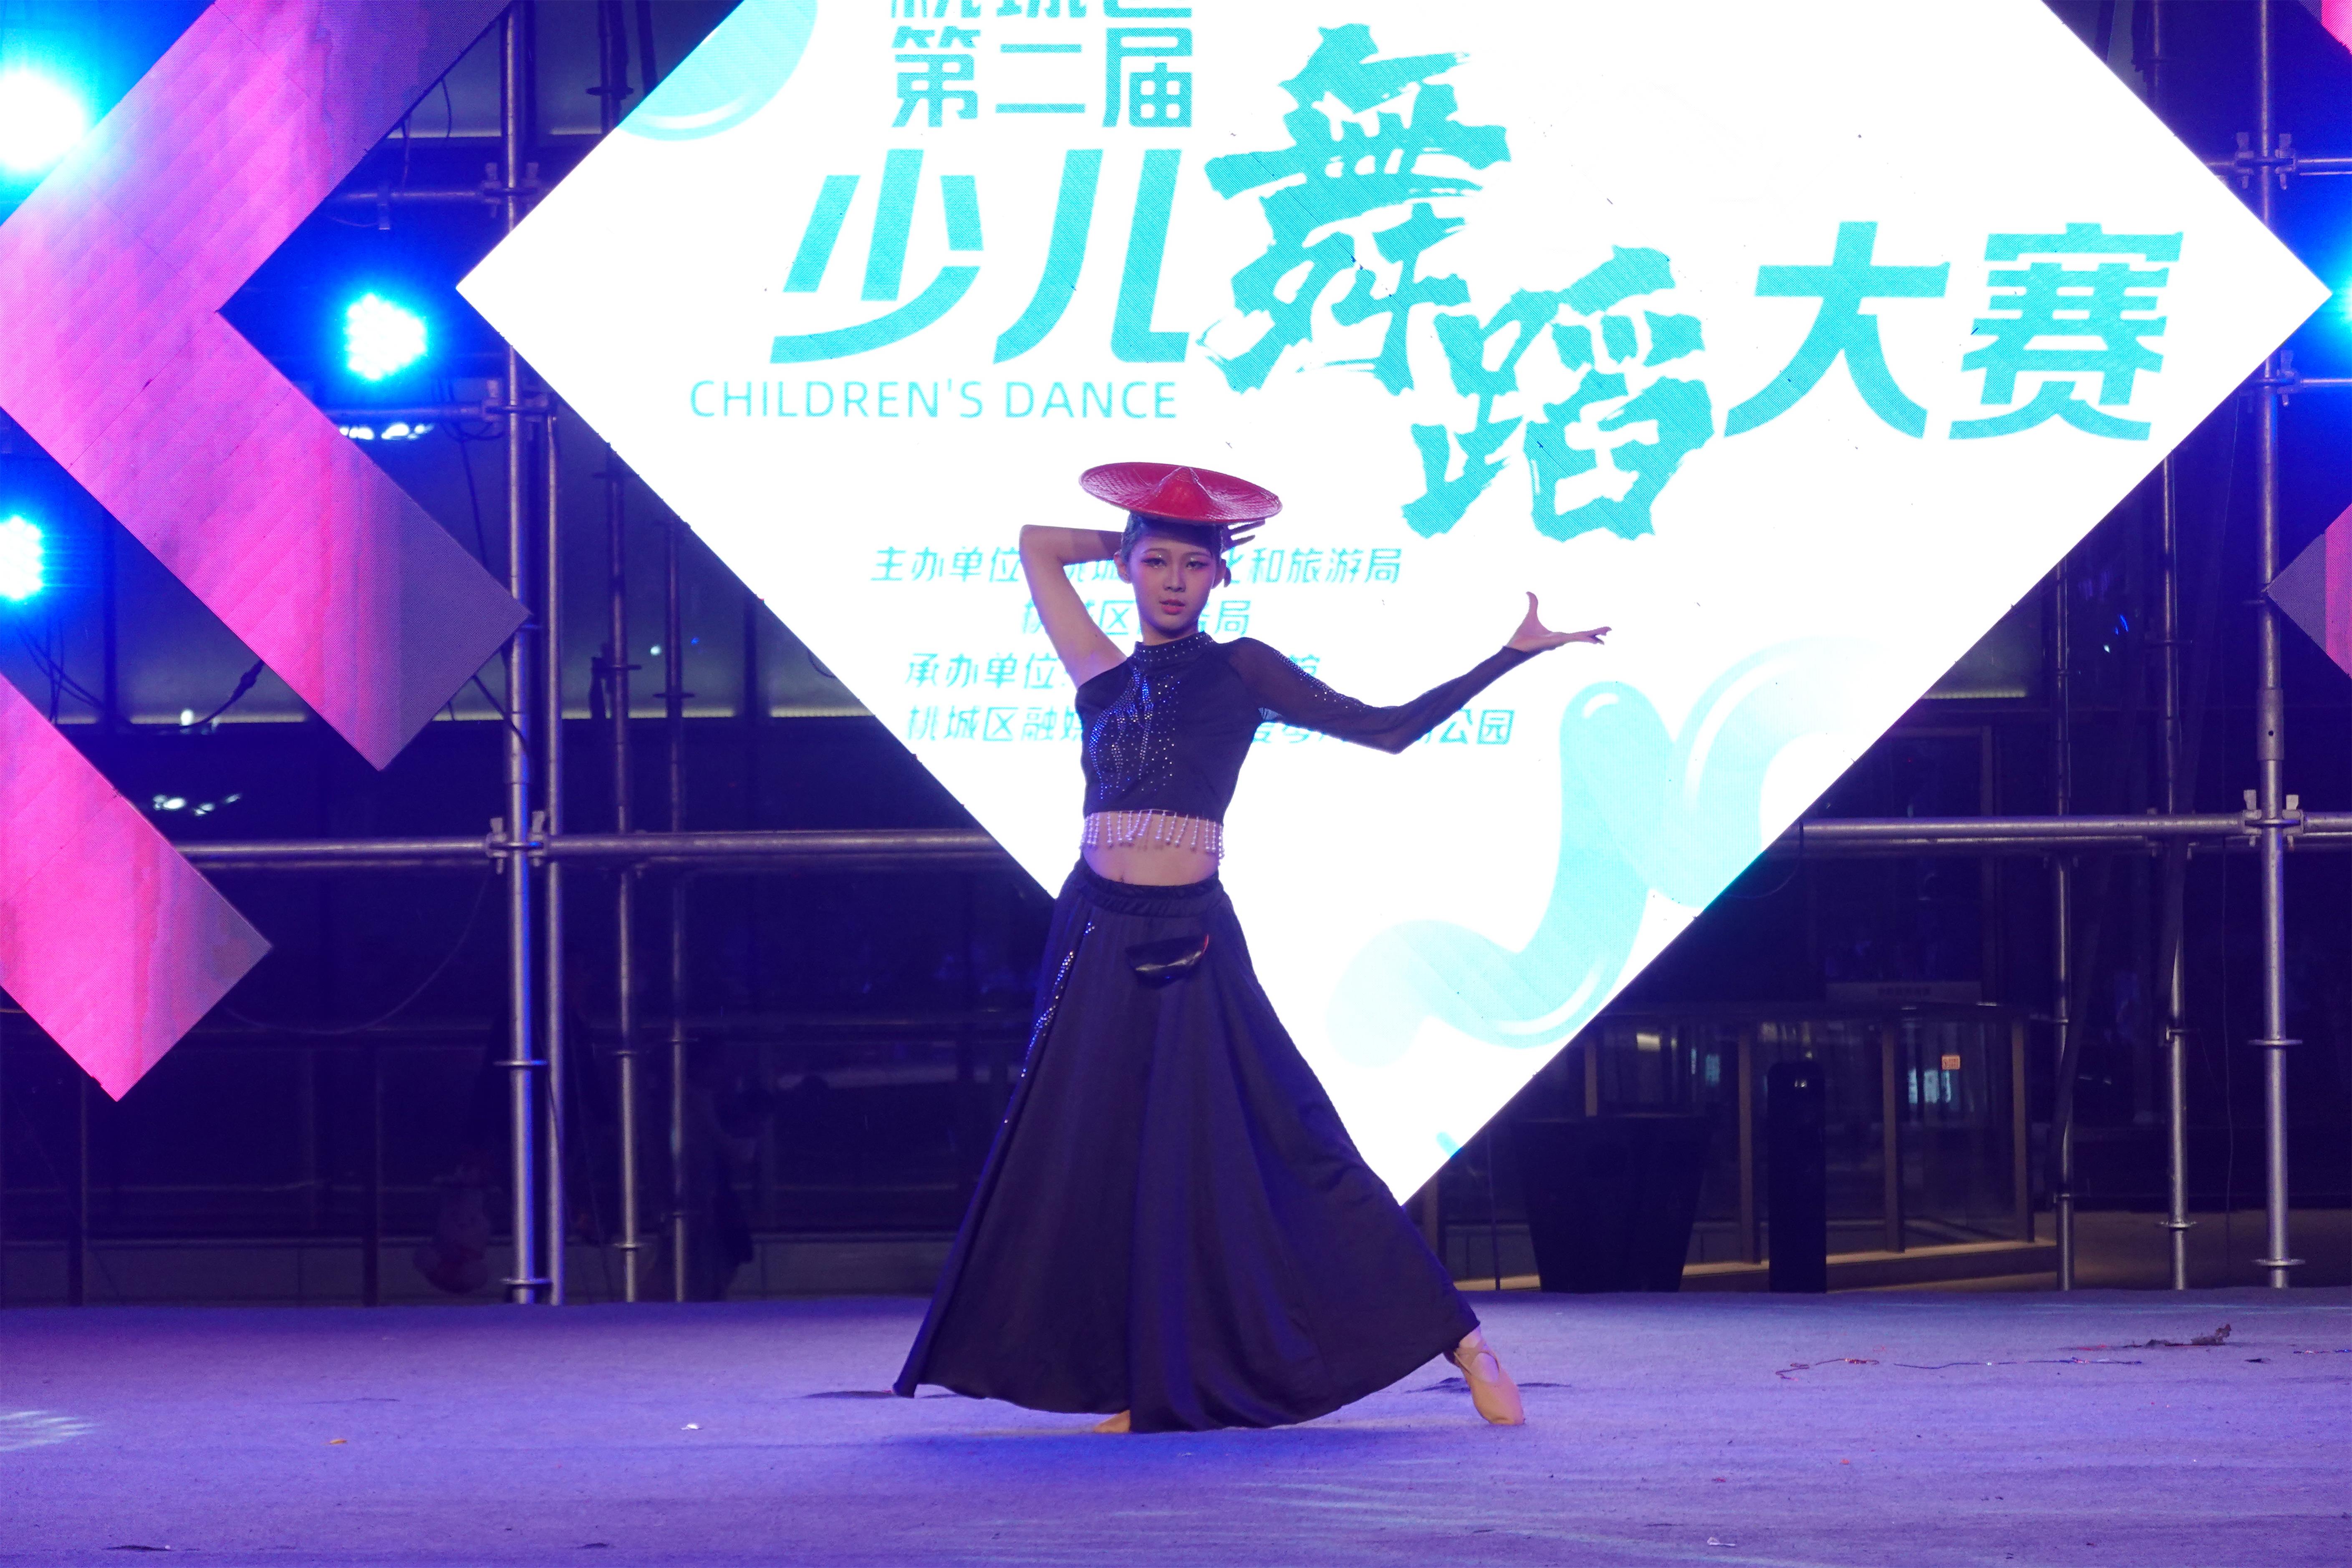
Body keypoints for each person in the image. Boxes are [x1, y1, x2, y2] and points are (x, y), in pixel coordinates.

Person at [894, 461, 1606, 1433]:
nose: (1174, 580)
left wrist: (1511, 655)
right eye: (1157, 562)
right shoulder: (1099, 673)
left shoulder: (1242, 669)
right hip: (1094, 932)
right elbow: (1035, 545)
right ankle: (1144, 1382)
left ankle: (1462, 1340)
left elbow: (1389, 730)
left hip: (1190, 940)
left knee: (1293, 1138)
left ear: (1222, 576)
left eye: (1195, 564)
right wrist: (1142, 528)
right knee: (1098, 1158)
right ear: (1129, 567)